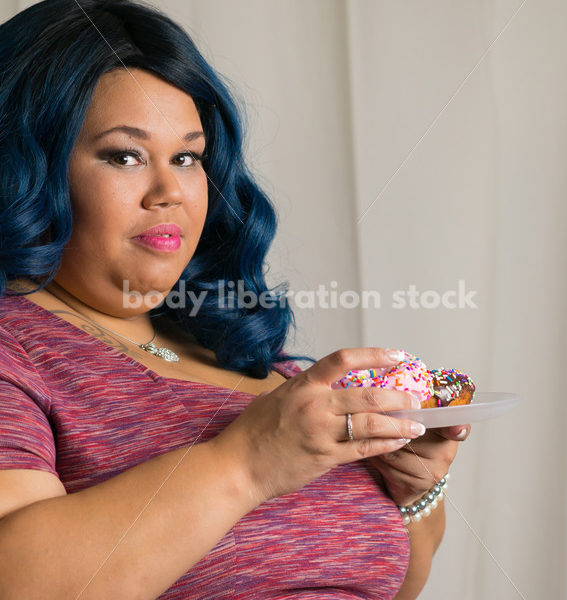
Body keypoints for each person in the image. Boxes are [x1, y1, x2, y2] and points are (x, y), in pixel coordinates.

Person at [0, 1, 470, 598]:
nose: (170, 190)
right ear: (27, 166)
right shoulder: (16, 349)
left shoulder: (248, 359)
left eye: (188, 157)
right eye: (126, 155)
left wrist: (414, 493)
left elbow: (390, 585)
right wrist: (246, 462)